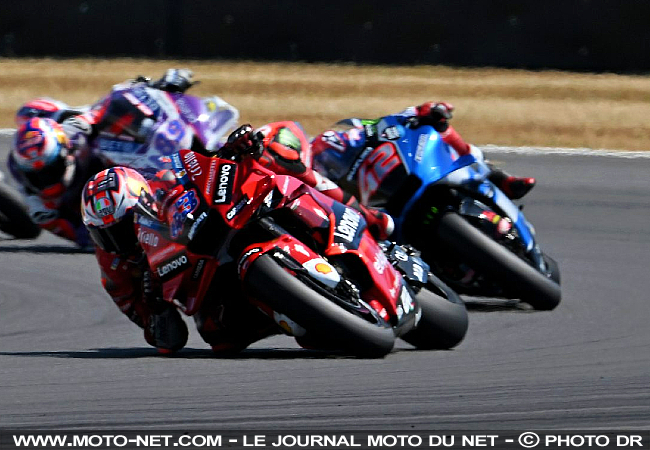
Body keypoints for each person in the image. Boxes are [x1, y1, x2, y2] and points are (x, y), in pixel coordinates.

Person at [80, 166, 277, 354]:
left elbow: (202, 169)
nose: (117, 241)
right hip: (196, 281)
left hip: (212, 230)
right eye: (104, 234)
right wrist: (155, 304)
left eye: (122, 229)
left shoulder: (164, 181)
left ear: (143, 203)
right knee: (218, 336)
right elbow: (167, 339)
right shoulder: (113, 270)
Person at [7, 69, 196, 247]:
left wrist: (146, 89)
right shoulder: (42, 206)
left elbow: (106, 106)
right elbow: (81, 236)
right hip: (96, 203)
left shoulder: (67, 127)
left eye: (51, 170)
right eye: (37, 176)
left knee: (28, 109)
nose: (45, 179)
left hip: (108, 148)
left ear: (66, 154)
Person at [310, 101, 536, 201]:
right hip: (373, 204)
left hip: (407, 170)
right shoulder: (315, 173)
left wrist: (429, 110)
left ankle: (501, 180)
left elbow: (402, 116)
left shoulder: (366, 129)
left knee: (438, 125)